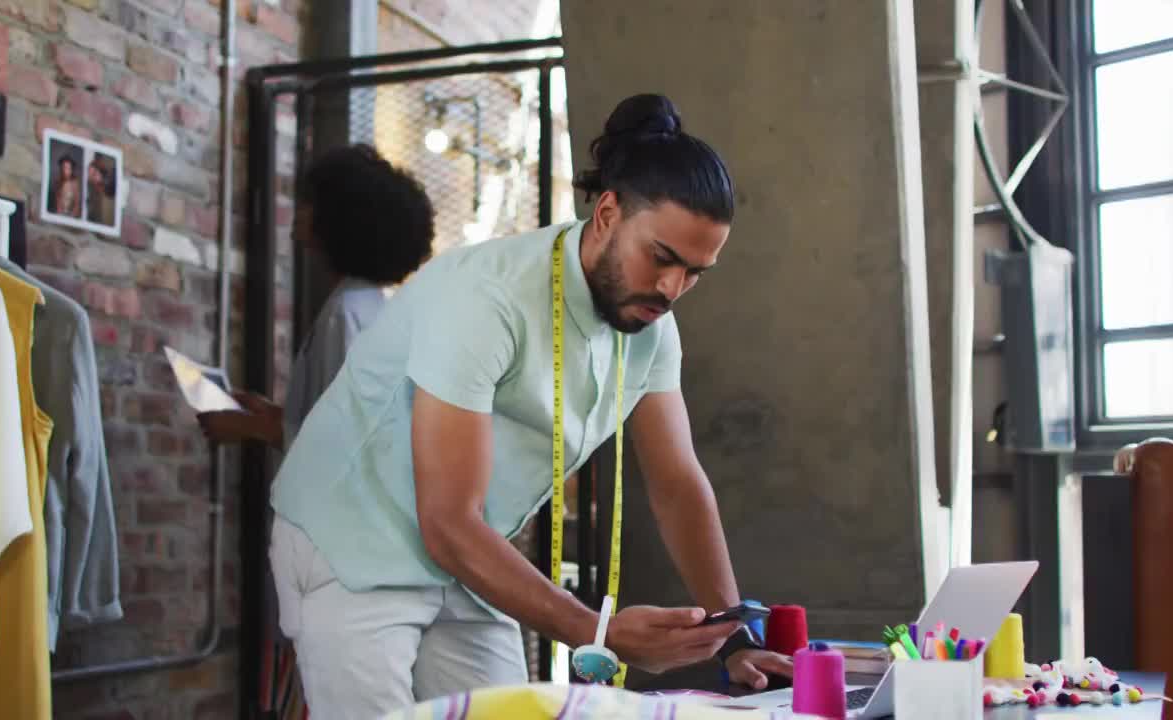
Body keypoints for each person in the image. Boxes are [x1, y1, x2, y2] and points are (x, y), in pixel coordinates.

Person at [266, 93, 792, 720]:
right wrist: (596, 631)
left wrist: (732, 635)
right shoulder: (487, 297)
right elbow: (447, 520)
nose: (673, 289)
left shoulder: (652, 328)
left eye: (696, 272)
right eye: (662, 257)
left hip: (466, 559)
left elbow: (678, 483)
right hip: (350, 539)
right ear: (607, 213)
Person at [198, 144, 434, 449]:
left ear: (343, 217)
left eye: (311, 202)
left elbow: (346, 443)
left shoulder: (346, 313)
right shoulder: (367, 306)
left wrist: (250, 426)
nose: (298, 211)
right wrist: (273, 414)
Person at [86, 155, 116, 226]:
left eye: (94, 172)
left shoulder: (113, 173)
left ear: (99, 168)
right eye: (91, 176)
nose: (94, 177)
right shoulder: (104, 190)